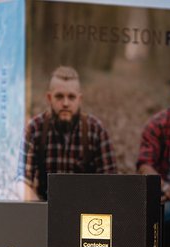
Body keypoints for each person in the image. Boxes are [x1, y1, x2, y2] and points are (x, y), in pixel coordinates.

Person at [21, 66, 116, 200]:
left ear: (79, 99)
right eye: (59, 96)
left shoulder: (96, 131)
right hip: (45, 208)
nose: (65, 103)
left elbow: (110, 184)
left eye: (71, 97)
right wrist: (38, 207)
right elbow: (23, 182)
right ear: (49, 98)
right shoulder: (35, 129)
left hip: (86, 209)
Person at [137, 64, 170, 229]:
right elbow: (145, 165)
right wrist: (167, 187)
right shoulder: (158, 125)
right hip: (167, 198)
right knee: (150, 222)